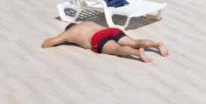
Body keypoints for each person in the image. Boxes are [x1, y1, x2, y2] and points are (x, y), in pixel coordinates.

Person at [41, 21, 170, 63]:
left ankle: (137, 53)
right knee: (134, 41)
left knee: (117, 50)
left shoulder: (70, 33)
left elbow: (47, 43)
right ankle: (156, 44)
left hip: (97, 38)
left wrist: (62, 37)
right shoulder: (87, 22)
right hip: (110, 30)